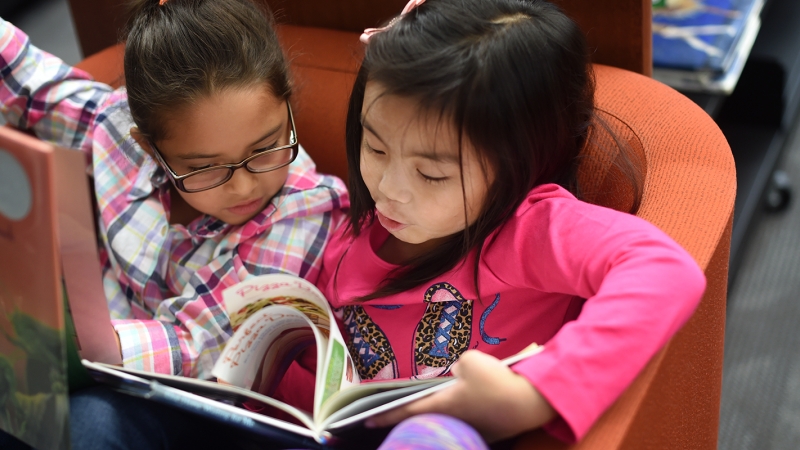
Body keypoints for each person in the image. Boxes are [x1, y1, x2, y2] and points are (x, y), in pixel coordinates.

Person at [314, 0, 707, 445]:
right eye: (376, 148)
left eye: (432, 174)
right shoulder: (346, 225)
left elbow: (665, 269)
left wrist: (537, 392)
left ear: (519, 163)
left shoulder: (525, 230)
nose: (390, 188)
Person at [0, 0, 347, 447]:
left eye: (266, 146)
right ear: (149, 146)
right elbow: (34, 86)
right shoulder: (115, 131)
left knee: (89, 428)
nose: (243, 188)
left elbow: (195, 344)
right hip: (91, 359)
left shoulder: (303, 212)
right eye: (204, 167)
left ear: (287, 104)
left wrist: (67, 341)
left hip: (198, 401)